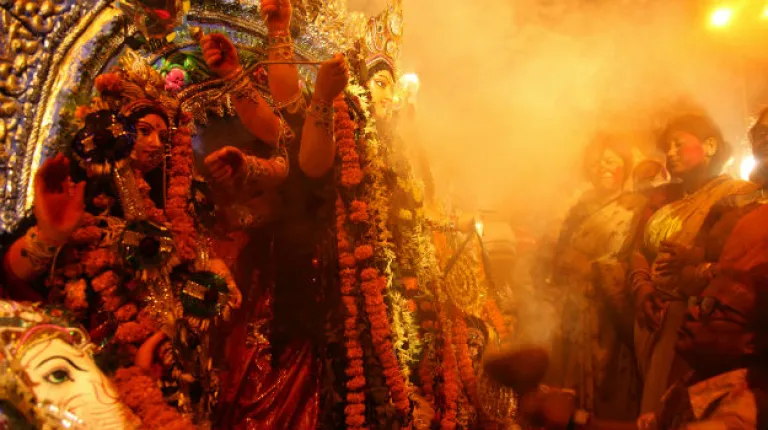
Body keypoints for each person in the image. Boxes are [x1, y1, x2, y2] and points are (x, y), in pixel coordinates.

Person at [517, 267, 768, 430]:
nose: (692, 312)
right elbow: (647, 428)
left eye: (712, 308)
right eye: (698, 301)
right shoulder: (700, 381)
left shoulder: (740, 415)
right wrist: (576, 419)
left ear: (752, 342)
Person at [631, 112, 756, 413]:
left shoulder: (736, 194)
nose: (670, 154)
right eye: (667, 148)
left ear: (710, 146)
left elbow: (736, 260)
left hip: (694, 320)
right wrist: (641, 287)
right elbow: (637, 248)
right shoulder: (663, 198)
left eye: (678, 144)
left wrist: (696, 262)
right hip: (649, 315)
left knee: (673, 406)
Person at [547, 134, 646, 420]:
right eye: (597, 162)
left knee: (610, 388)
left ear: (624, 167)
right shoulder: (580, 207)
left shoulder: (634, 206)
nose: (602, 167)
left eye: (611, 161)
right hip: (575, 310)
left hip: (611, 313)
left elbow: (634, 258)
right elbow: (560, 256)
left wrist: (592, 268)